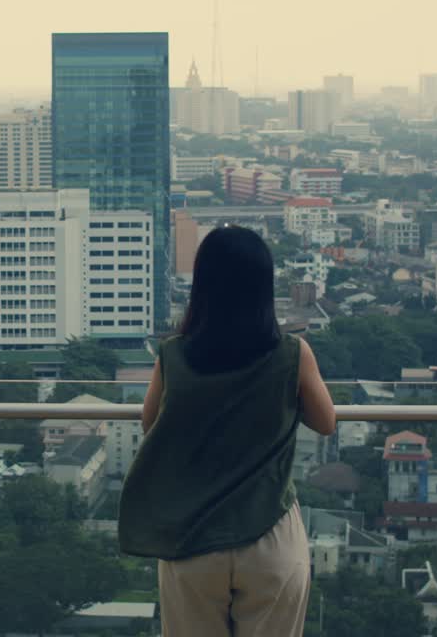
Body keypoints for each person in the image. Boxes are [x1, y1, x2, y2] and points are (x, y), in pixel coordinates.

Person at [118, 225, 336, 637]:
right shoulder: (292, 354)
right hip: (269, 534)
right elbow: (325, 422)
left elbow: (152, 425)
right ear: (262, 287)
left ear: (203, 285)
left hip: (192, 536)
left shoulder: (174, 355)